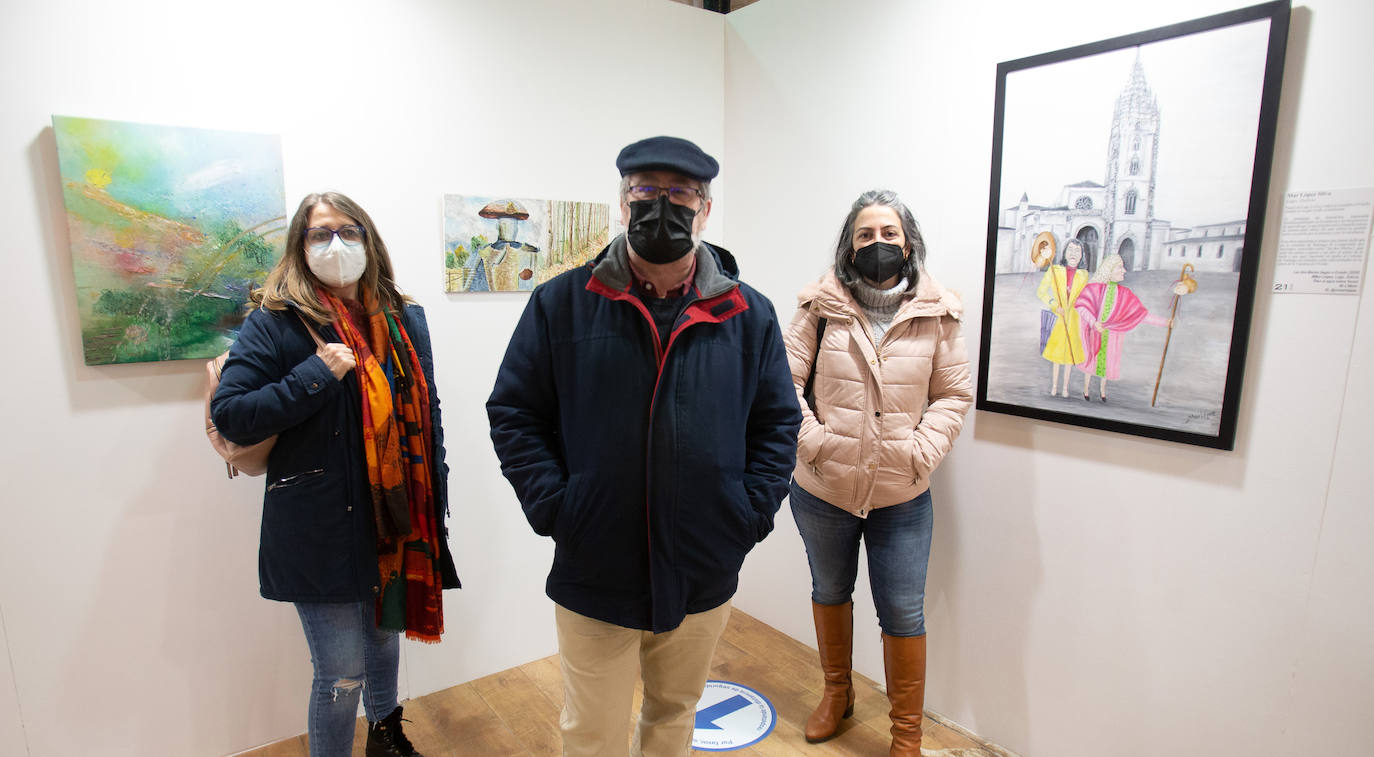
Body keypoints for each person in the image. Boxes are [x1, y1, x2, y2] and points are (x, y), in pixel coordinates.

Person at [486, 136, 800, 757]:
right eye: (646, 192)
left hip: (703, 560)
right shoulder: (563, 303)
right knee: (592, 731)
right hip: (596, 563)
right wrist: (559, 506)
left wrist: (747, 514)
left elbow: (777, 425)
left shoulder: (749, 313)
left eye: (680, 193)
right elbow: (514, 412)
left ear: (706, 208)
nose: (663, 207)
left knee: (674, 715)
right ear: (622, 204)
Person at [211, 192, 460, 757]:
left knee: (383, 635)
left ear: (369, 241)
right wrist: (315, 375)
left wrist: (435, 490)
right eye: (319, 234)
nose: (337, 245)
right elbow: (232, 414)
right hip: (319, 521)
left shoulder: (403, 318)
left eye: (349, 231)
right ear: (300, 247)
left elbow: (427, 410)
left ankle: (386, 737)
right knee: (341, 670)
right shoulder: (276, 323)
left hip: (395, 511)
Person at [783, 190, 971, 755]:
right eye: (866, 235)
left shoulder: (937, 314)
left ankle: (906, 737)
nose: (878, 244)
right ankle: (836, 695)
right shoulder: (819, 306)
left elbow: (953, 394)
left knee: (904, 613)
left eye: (889, 234)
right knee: (829, 589)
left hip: (903, 494)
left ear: (907, 242)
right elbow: (781, 385)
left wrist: (919, 452)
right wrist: (815, 443)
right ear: (849, 245)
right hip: (823, 490)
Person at [1073, 252, 1172, 401]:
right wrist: (1093, 322)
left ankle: (1103, 392)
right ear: (1109, 270)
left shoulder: (1125, 294)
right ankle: (1086, 390)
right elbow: (1081, 307)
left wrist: (1165, 322)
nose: (1123, 270)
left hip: (1113, 335)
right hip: (1095, 332)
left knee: (1106, 365)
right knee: (1091, 362)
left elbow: (1140, 315)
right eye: (1119, 267)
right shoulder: (1094, 288)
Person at [1036, 238, 1088, 397]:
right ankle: (1054, 387)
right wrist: (1054, 305)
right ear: (1064, 253)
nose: (1073, 254)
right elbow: (1041, 292)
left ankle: (1065, 388)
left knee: (1069, 356)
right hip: (1059, 318)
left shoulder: (1083, 275)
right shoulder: (1054, 270)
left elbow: (1084, 297)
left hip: (1074, 319)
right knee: (1057, 355)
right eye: (1070, 250)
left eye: (1077, 251)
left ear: (1082, 256)